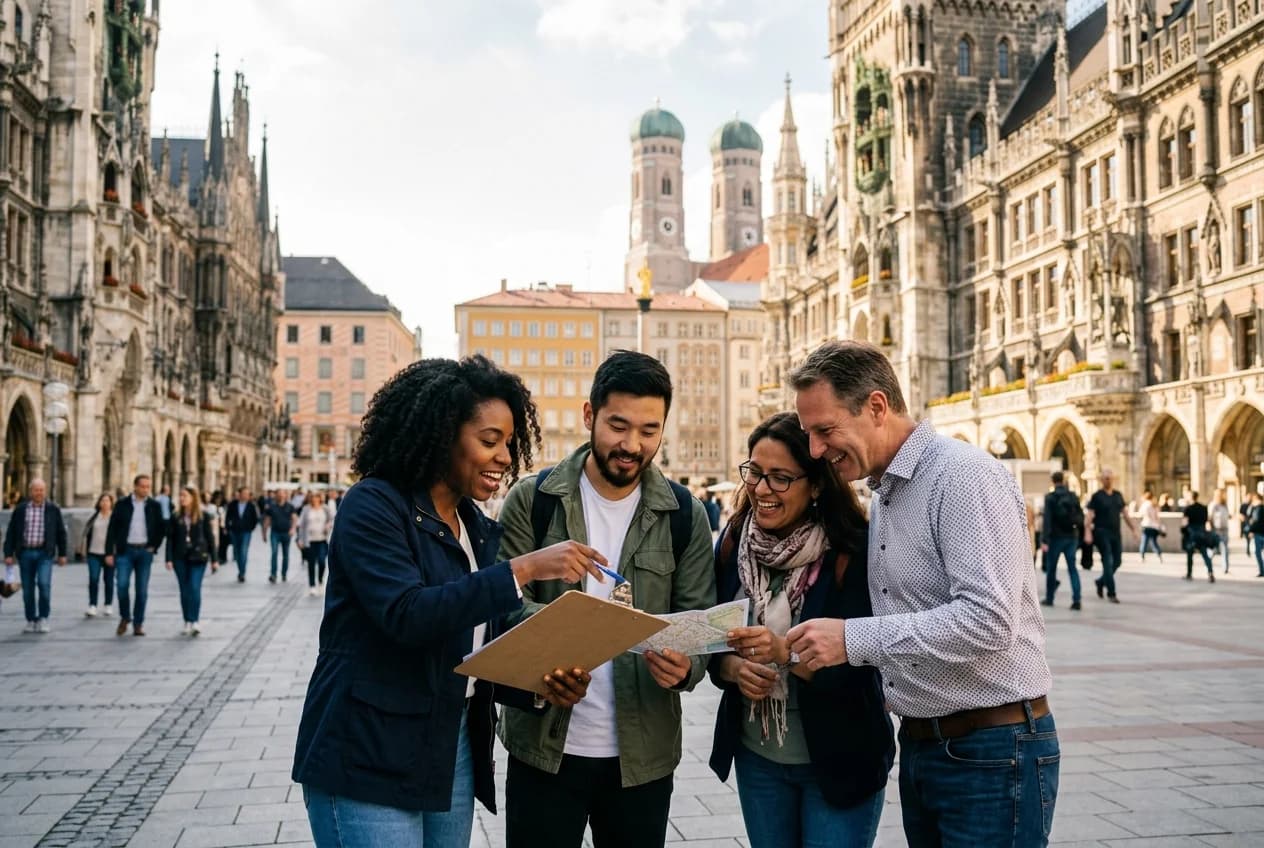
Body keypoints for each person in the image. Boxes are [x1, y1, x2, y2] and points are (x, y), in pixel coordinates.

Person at [293, 355, 605, 848]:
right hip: (367, 747)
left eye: (508, 442)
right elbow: (407, 614)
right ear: (441, 435)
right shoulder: (372, 506)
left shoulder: (475, 526)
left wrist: (542, 683)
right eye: (489, 441)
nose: (505, 456)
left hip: (450, 745)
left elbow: (481, 641)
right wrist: (522, 568)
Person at [785, 341, 1058, 848]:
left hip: (991, 751)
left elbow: (989, 620)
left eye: (825, 431)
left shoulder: (960, 476)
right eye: (809, 435)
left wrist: (853, 640)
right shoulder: (887, 488)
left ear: (877, 407)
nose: (817, 450)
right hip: (925, 745)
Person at [496, 350, 716, 848]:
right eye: (618, 425)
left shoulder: (684, 514)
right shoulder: (534, 500)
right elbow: (500, 608)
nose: (632, 444)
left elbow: (697, 621)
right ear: (589, 415)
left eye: (648, 430)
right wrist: (558, 650)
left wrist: (685, 667)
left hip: (642, 760)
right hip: (543, 750)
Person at [709, 412, 892, 848]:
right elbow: (711, 638)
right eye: (754, 472)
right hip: (758, 759)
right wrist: (734, 669)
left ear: (815, 486)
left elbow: (867, 665)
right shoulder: (735, 541)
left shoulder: (852, 549)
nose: (761, 489)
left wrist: (783, 653)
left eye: (780, 478)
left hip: (839, 760)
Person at [3, 479, 68, 633]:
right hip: (25, 553)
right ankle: (31, 619)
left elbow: (61, 533)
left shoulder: (53, 509)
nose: (39, 493)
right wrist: (8, 554)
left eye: (41, 490)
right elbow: (11, 532)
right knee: (28, 589)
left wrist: (63, 554)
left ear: (45, 491)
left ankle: (43, 618)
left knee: (44, 585)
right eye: (36, 490)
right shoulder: (21, 509)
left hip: (44, 553)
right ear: (30, 491)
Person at [105, 474, 166, 637]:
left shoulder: (154, 505)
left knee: (142, 590)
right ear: (135, 487)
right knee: (122, 586)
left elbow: (161, 528)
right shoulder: (122, 504)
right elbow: (112, 529)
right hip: (126, 551)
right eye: (143, 486)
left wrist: (154, 546)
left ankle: (138, 623)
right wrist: (109, 552)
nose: (146, 489)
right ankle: (125, 617)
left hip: (145, 552)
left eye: (148, 486)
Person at [166, 487, 218, 635]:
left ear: (193, 498)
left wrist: (214, 559)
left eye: (185, 496)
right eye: (180, 495)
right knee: (184, 589)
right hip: (180, 557)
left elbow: (210, 538)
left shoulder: (203, 516)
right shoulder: (175, 517)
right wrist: (168, 559)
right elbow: (170, 539)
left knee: (194, 587)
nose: (182, 498)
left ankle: (195, 620)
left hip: (198, 557)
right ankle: (187, 620)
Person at [1086, 469, 1137, 604]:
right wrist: (1088, 532)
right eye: (1105, 478)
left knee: (1117, 561)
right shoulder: (1097, 496)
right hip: (1101, 533)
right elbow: (1090, 515)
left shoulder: (1118, 495)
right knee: (1107, 562)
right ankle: (1111, 593)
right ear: (1101, 480)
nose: (1107, 480)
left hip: (1115, 533)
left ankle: (1100, 581)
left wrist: (1134, 530)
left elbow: (1125, 514)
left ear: (1113, 479)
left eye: (1109, 478)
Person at [1041, 471, 1083, 610]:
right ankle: (1076, 599)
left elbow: (1047, 520)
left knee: (1051, 569)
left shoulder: (1050, 498)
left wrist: (1044, 539)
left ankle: (1049, 598)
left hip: (1055, 538)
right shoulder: (1072, 496)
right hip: (1071, 537)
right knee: (1073, 569)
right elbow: (1080, 516)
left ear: (1053, 481)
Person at [80, 493, 116, 617]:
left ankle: (108, 604)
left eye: (107, 501)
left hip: (109, 554)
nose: (105, 503)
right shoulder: (94, 517)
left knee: (109, 580)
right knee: (93, 579)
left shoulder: (114, 518)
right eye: (103, 500)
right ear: (99, 503)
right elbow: (86, 534)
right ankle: (92, 605)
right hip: (93, 552)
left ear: (111, 503)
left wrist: (114, 552)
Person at [297, 491, 334, 596]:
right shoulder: (306, 509)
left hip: (322, 539)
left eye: (317, 497)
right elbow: (301, 525)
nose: (315, 499)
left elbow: (332, 519)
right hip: (310, 541)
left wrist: (328, 525)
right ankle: (312, 585)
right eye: (313, 497)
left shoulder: (325, 508)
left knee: (322, 561)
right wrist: (300, 539)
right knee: (311, 563)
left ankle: (320, 580)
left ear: (320, 498)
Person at [224, 487, 260, 582]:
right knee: (237, 551)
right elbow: (228, 517)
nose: (246, 496)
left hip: (246, 531)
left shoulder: (251, 506)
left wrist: (251, 528)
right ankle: (240, 570)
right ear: (239, 494)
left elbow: (255, 519)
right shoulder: (233, 504)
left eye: (247, 494)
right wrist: (228, 528)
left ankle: (242, 573)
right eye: (244, 493)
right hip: (235, 531)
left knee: (243, 551)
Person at [263, 489, 298, 584]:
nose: (281, 496)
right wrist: (264, 533)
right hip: (275, 532)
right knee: (274, 553)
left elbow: (294, 519)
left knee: (285, 554)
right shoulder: (271, 507)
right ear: (276, 496)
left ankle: (284, 573)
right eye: (279, 495)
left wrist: (293, 529)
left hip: (286, 533)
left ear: (285, 496)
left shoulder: (290, 507)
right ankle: (273, 574)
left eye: (282, 495)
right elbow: (267, 520)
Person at [1181, 491, 1215, 583]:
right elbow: (1206, 521)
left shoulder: (1188, 508)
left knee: (1190, 555)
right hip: (1201, 533)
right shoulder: (1203, 508)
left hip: (1191, 534)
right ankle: (1210, 572)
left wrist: (1183, 532)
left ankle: (1189, 573)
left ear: (1190, 497)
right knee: (1205, 555)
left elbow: (1184, 523)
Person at [1138, 490, 1164, 563]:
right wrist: (1159, 526)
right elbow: (1157, 517)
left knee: (1144, 542)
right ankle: (1159, 556)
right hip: (1155, 526)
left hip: (1146, 525)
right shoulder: (1155, 504)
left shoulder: (1145, 504)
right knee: (1154, 542)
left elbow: (1141, 513)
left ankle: (1142, 557)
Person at [1210, 489, 1231, 574]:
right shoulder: (1213, 505)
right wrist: (1212, 529)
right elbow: (1210, 517)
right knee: (1214, 549)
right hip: (1216, 530)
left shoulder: (1224, 505)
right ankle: (1208, 562)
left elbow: (1226, 515)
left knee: (1225, 549)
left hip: (1225, 530)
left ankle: (1225, 568)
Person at [1249, 492, 1264, 577]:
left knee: (1258, 553)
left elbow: (1255, 521)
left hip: (1258, 533)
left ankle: (1262, 570)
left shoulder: (1257, 509)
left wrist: (1251, 530)